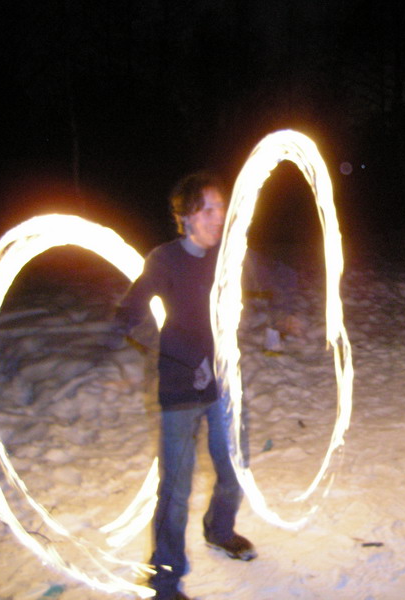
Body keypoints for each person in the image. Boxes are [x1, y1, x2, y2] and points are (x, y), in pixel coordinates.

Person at [115, 172, 256, 600]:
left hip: (222, 381)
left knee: (234, 468)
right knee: (175, 491)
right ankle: (164, 580)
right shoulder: (165, 260)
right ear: (187, 216)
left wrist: (276, 320)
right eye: (208, 209)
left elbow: (246, 298)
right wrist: (175, 357)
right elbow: (130, 313)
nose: (219, 216)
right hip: (180, 389)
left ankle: (219, 529)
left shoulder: (225, 256)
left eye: (221, 207)